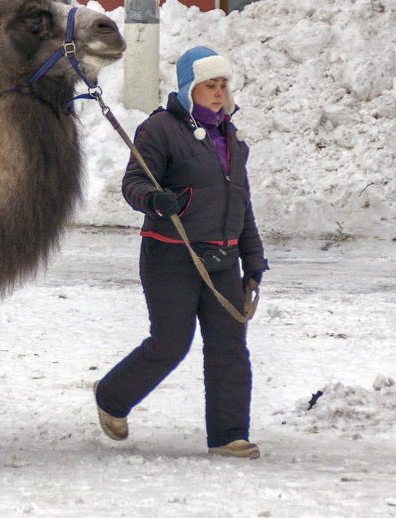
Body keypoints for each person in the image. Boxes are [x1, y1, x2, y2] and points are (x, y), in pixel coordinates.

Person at [94, 46, 269, 458]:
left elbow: (241, 204)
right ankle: (111, 397)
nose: (219, 92)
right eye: (211, 85)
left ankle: (229, 435)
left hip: (223, 259)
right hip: (171, 255)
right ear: (190, 87)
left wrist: (254, 259)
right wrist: (155, 200)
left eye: (224, 85)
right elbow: (133, 183)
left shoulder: (232, 137)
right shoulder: (160, 129)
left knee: (229, 347)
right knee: (170, 343)